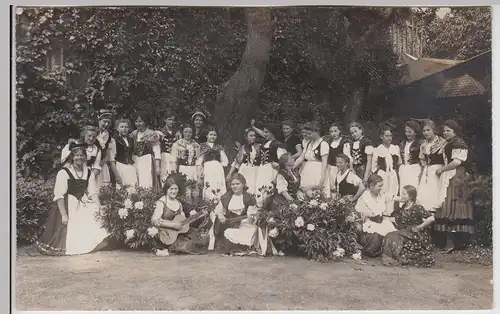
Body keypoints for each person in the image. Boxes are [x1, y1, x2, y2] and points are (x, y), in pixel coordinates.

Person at [33, 141, 110, 255]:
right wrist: (64, 215)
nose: (79, 158)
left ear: (85, 158)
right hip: (68, 205)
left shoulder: (89, 173)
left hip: (82, 202)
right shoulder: (64, 173)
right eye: (77, 155)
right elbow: (59, 196)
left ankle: (95, 242)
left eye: (82, 155)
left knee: (96, 213)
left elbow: (92, 192)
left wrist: (99, 206)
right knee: (75, 223)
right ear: (72, 157)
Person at [433, 120, 473, 252]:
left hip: (456, 176)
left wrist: (442, 169)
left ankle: (455, 242)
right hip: (449, 174)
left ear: (455, 131)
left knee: (453, 205)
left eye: (448, 131)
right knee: (446, 205)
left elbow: (456, 162)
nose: (445, 133)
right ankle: (447, 241)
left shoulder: (458, 143)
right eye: (444, 131)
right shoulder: (449, 143)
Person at [151, 178, 209, 256]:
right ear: (166, 189)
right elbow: (154, 220)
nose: (174, 191)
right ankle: (164, 248)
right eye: (171, 189)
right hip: (165, 235)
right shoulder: (161, 202)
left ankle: (172, 249)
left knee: (197, 238)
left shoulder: (178, 203)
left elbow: (183, 221)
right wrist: (172, 225)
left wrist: (195, 217)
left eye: (176, 189)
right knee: (187, 245)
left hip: (177, 235)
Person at [259, 153, 302, 256]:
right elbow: (283, 191)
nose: (293, 158)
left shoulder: (295, 172)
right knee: (283, 221)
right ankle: (281, 247)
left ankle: (293, 246)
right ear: (286, 162)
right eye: (291, 158)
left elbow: (298, 188)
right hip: (282, 200)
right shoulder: (281, 174)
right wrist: (292, 202)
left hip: (293, 198)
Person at [382, 185, 435, 267]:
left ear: (410, 197)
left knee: (391, 236)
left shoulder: (417, 207)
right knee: (390, 236)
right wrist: (382, 217)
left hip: (416, 235)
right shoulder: (404, 207)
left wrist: (420, 227)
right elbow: (396, 219)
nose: (401, 196)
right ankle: (391, 258)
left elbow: (431, 218)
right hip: (406, 232)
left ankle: (395, 258)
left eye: (404, 194)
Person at [213, 173, 260, 255]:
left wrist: (251, 218)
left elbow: (253, 214)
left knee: (252, 231)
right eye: (232, 184)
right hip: (230, 223)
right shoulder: (226, 197)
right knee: (229, 232)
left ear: (243, 184)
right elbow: (218, 209)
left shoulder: (249, 197)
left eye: (237, 184)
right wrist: (220, 215)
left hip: (245, 224)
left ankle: (243, 248)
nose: (235, 186)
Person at [355, 174, 397, 257]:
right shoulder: (364, 198)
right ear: (371, 186)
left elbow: (392, 198)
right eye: (379, 186)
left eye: (382, 186)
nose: (381, 188)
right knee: (377, 236)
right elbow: (359, 212)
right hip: (370, 223)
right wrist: (367, 213)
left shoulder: (382, 195)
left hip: (383, 222)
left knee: (393, 235)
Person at [252, 122, 287, 207]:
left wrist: (278, 165)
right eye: (264, 132)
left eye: (267, 132)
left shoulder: (277, 144)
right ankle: (260, 208)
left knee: (269, 189)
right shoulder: (265, 144)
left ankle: (268, 208)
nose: (264, 134)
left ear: (273, 132)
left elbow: (285, 160)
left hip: (271, 171)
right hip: (262, 170)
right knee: (260, 189)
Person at [294, 121, 330, 198]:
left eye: (310, 134)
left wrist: (322, 177)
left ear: (316, 132)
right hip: (307, 169)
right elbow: (301, 157)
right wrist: (293, 166)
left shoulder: (323, 144)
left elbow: (324, 162)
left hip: (318, 170)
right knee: (305, 191)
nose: (308, 136)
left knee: (316, 192)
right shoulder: (308, 143)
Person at [417, 120, 446, 211]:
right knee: (424, 194)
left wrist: (443, 170)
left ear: (434, 130)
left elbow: (446, 159)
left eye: (428, 130)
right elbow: (422, 160)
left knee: (435, 193)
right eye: (424, 131)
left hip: (438, 170)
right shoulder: (423, 144)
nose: (426, 133)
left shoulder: (442, 142)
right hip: (427, 171)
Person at [372, 124, 401, 210]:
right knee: (383, 191)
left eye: (391, 136)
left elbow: (399, 162)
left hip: (393, 174)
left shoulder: (395, 148)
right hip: (383, 174)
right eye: (387, 136)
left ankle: (392, 211)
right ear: (381, 136)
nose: (389, 138)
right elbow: (374, 166)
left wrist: (394, 171)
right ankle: (382, 210)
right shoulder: (377, 149)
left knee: (394, 191)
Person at [131, 111, 161, 189]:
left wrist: (157, 166)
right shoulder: (133, 134)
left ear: (145, 122)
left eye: (140, 121)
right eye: (136, 121)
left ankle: (146, 198)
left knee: (146, 181)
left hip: (146, 159)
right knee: (135, 180)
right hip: (135, 159)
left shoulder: (152, 133)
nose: (138, 124)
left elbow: (156, 150)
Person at [227, 128, 262, 196]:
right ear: (246, 137)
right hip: (245, 170)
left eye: (254, 136)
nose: (253, 137)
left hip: (255, 170)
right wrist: (229, 173)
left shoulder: (259, 146)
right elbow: (236, 162)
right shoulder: (243, 148)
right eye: (251, 136)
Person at [197, 126, 229, 201]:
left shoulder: (219, 147)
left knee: (218, 184)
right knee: (209, 184)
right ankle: (209, 204)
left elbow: (225, 160)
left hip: (218, 169)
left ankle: (219, 203)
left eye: (214, 135)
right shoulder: (202, 146)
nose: (213, 136)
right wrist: (200, 170)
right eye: (211, 134)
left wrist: (219, 164)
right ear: (207, 135)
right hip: (207, 168)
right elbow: (199, 160)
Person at [324, 123, 352, 194]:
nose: (333, 133)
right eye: (331, 132)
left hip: (340, 167)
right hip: (330, 167)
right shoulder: (328, 142)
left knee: (339, 186)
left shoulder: (344, 141)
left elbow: (347, 155)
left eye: (335, 131)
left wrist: (350, 167)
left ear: (340, 131)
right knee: (330, 186)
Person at [399, 120, 423, 195]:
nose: (407, 134)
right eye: (406, 132)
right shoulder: (402, 144)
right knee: (403, 189)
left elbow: (423, 159)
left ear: (415, 132)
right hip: (403, 170)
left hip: (415, 169)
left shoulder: (420, 144)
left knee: (413, 188)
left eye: (410, 132)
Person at [157, 109, 182, 184]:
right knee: (164, 175)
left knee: (174, 174)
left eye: (173, 120)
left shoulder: (177, 132)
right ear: (165, 120)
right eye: (169, 119)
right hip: (164, 155)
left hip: (174, 156)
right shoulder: (160, 132)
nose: (171, 122)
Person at [111, 118, 137, 187]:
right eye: (121, 127)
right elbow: (112, 157)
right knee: (121, 187)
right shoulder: (114, 140)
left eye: (126, 127)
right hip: (120, 165)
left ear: (129, 128)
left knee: (132, 186)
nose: (124, 129)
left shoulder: (131, 140)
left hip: (131, 166)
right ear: (117, 128)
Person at [96, 109, 116, 187]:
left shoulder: (109, 136)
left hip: (102, 164)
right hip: (91, 163)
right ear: (99, 121)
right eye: (104, 121)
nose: (106, 124)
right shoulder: (92, 133)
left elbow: (108, 155)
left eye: (109, 122)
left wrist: (101, 163)